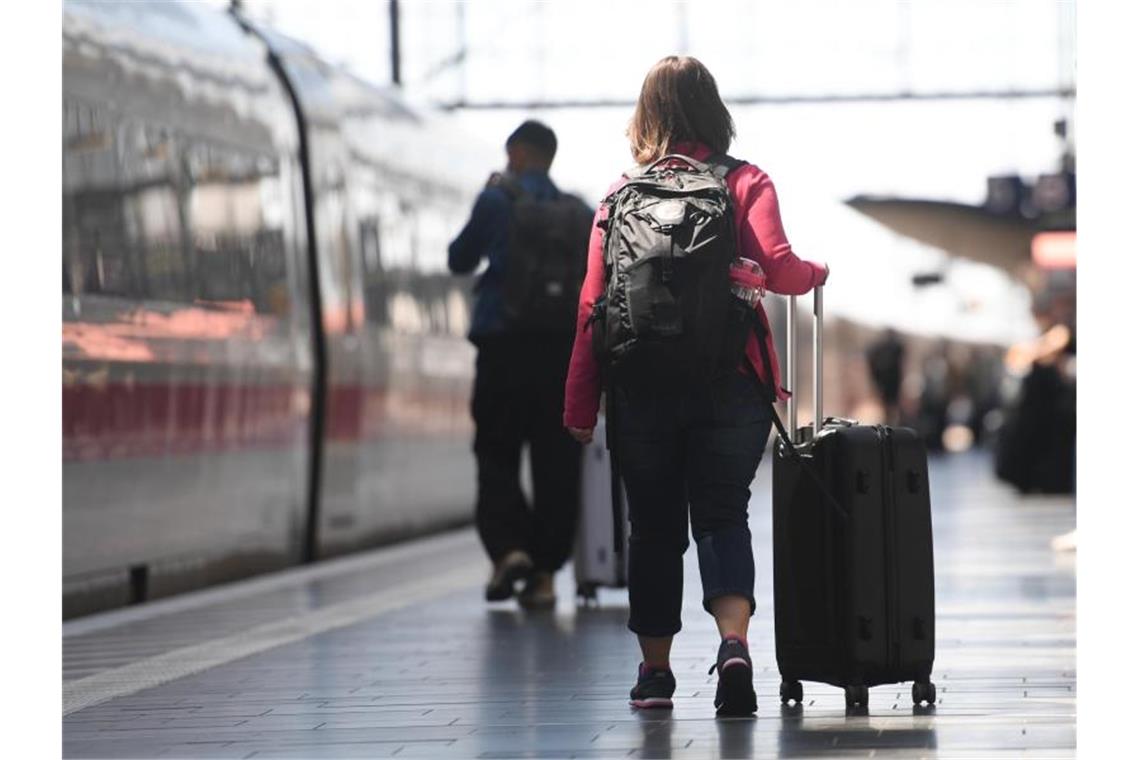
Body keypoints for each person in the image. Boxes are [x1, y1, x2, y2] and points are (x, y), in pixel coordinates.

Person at [562, 56, 828, 715]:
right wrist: (819, 271)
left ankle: (655, 674)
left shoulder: (619, 196)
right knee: (721, 514)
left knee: (651, 528)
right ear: (715, 111)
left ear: (645, 115)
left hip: (641, 387)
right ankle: (733, 644)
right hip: (731, 381)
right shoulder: (745, 182)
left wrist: (580, 402)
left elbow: (592, 307)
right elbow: (784, 269)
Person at [449, 120, 591, 610]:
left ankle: (510, 550)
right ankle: (546, 573)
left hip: (503, 349)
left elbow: (459, 259)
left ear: (515, 152)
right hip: (560, 353)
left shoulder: (497, 200)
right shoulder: (579, 212)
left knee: (497, 453)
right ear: (549, 157)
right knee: (557, 462)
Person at [866, 329, 905, 426]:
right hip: (888, 381)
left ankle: (889, 423)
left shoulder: (880, 348)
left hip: (886, 382)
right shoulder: (893, 348)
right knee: (889, 406)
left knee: (889, 406)